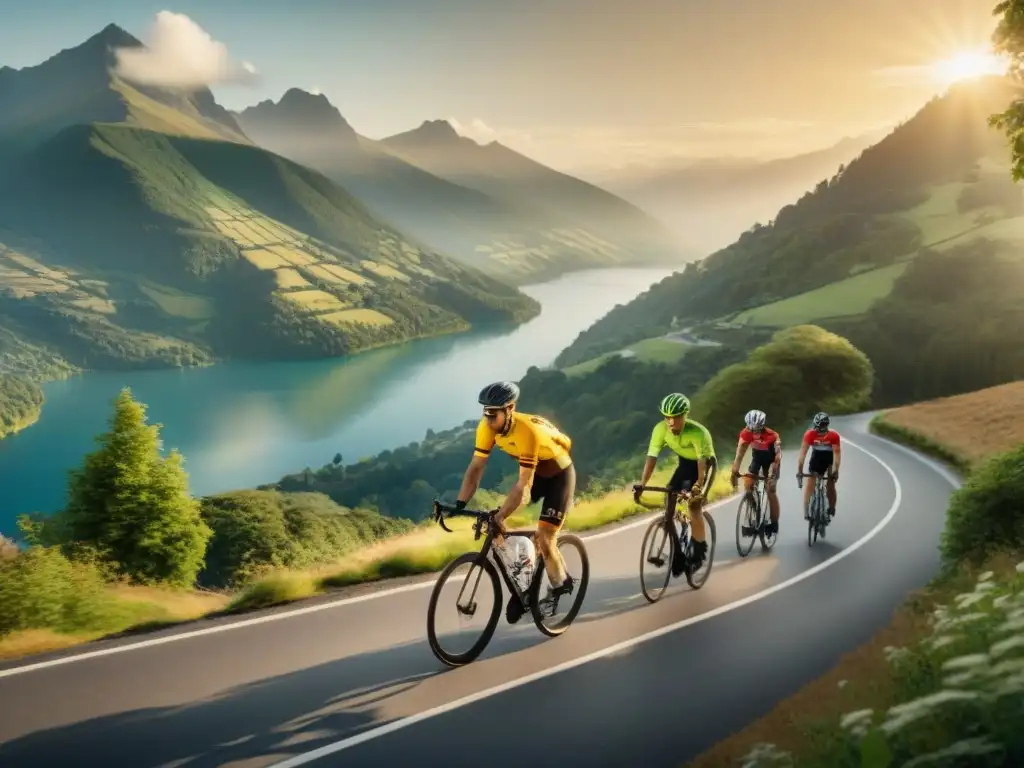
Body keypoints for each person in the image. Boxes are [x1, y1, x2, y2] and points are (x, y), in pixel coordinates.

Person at [454, 380, 576, 619]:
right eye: (485, 413)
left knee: (545, 536)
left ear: (510, 408)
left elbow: (524, 486)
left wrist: (500, 515)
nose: (489, 420)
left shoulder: (527, 432)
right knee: (496, 528)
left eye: (493, 415)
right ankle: (526, 585)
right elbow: (475, 469)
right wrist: (460, 504)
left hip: (558, 474)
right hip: (534, 471)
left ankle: (561, 584)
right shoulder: (486, 428)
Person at [633, 392, 716, 575]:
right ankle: (678, 554)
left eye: (676, 417)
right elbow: (651, 458)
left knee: (694, 507)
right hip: (685, 465)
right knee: (669, 503)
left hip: (704, 465)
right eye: (667, 417)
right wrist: (642, 483)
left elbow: (702, 464)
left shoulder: (698, 433)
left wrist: (698, 487)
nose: (671, 422)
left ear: (685, 415)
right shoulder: (660, 430)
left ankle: (698, 554)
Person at [730, 409, 782, 534]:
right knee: (748, 485)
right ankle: (756, 512)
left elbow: (777, 458)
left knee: (770, 489)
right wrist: (734, 471)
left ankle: (774, 524)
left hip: (771, 461)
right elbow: (740, 453)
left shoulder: (773, 436)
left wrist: (771, 475)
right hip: (757, 459)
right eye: (751, 430)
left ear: (762, 426)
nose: (754, 432)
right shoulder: (746, 433)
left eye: (757, 429)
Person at [795, 411, 841, 519]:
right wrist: (800, 470)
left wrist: (835, 470)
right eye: (819, 426)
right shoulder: (809, 434)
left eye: (823, 426)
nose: (821, 429)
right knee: (811, 482)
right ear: (815, 426)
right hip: (816, 458)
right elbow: (803, 453)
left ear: (827, 426)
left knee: (830, 484)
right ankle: (806, 509)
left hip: (829, 458)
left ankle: (832, 506)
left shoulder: (833, 435)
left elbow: (837, 455)